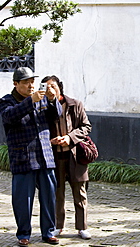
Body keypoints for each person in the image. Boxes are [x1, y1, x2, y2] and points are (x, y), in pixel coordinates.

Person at [0, 67, 62, 246]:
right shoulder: (6, 101)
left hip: (44, 155)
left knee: (49, 197)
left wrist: (51, 99)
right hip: (23, 156)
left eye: (32, 81)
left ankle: (49, 232)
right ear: (16, 84)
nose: (30, 85)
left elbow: (56, 115)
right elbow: (10, 117)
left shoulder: (40, 98)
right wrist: (30, 102)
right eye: (26, 82)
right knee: (22, 199)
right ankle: (23, 234)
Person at [43, 75, 93, 240]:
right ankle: (58, 226)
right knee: (57, 193)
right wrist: (50, 140)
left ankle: (82, 227)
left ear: (59, 87)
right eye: (47, 87)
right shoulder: (43, 106)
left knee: (79, 192)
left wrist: (70, 138)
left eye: (53, 86)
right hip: (54, 156)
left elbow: (86, 127)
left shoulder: (74, 105)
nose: (50, 89)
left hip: (75, 155)